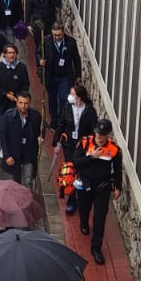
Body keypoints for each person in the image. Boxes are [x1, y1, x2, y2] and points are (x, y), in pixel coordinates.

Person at [72, 119, 124, 265]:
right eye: (97, 134)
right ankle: (83, 221)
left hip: (103, 187)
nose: (98, 137)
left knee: (100, 218)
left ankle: (96, 248)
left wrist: (118, 187)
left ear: (108, 135)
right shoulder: (84, 143)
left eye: (102, 135)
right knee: (84, 207)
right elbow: (76, 162)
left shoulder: (114, 150)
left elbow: (118, 169)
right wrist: (91, 157)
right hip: (85, 184)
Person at [52, 84, 98, 215]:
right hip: (69, 145)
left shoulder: (89, 111)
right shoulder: (67, 107)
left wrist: (88, 143)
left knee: (81, 172)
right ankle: (71, 201)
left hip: (82, 146)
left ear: (80, 97)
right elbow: (61, 124)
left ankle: (81, 200)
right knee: (72, 171)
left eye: (73, 94)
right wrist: (56, 143)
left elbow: (93, 130)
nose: (70, 97)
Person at [38, 23, 80, 119]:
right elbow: (38, 53)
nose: (57, 37)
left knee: (63, 97)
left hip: (65, 76)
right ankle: (53, 118)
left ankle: (62, 118)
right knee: (52, 98)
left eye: (59, 35)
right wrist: (40, 60)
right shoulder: (46, 41)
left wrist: (78, 75)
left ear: (63, 32)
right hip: (51, 76)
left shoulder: (71, 42)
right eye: (54, 35)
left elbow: (76, 59)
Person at [0, 92, 41, 185]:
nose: (23, 106)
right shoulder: (8, 116)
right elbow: (3, 136)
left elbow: (38, 131)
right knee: (16, 180)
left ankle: (26, 198)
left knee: (27, 179)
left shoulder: (35, 116)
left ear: (29, 103)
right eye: (21, 103)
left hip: (28, 154)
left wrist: (39, 138)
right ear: (16, 102)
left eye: (26, 103)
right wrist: (7, 155)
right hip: (14, 153)